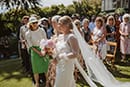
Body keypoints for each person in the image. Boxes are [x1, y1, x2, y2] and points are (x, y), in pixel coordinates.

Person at [53, 16, 80, 87]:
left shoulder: (71, 37)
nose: (58, 26)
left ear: (67, 25)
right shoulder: (60, 36)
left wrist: (61, 57)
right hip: (59, 65)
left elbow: (75, 54)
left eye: (60, 24)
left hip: (67, 66)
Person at [25, 16, 49, 87]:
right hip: (34, 51)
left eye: (36, 22)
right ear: (30, 24)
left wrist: (43, 51)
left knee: (46, 67)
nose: (35, 24)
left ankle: (47, 82)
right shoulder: (28, 33)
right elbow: (30, 45)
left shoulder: (41, 30)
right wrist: (38, 52)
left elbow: (45, 40)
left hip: (43, 48)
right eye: (33, 23)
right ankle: (37, 83)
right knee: (36, 69)